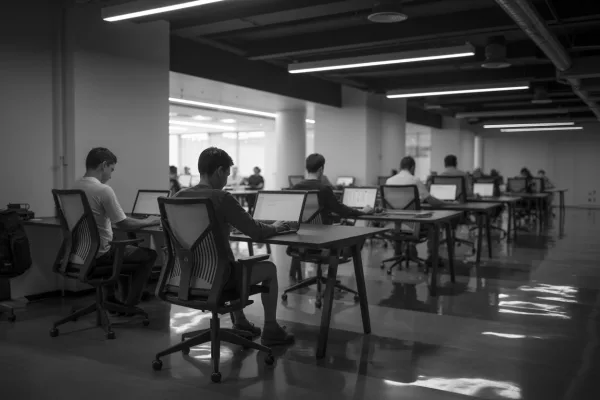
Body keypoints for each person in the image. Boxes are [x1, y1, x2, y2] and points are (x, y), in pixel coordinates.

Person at [176, 147, 294, 346]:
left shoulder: (178, 196)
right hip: (217, 278)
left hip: (187, 275)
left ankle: (240, 321)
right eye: (226, 175)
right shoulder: (221, 197)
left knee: (231, 263)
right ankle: (271, 329)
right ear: (219, 171)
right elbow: (256, 232)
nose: (226, 181)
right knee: (269, 269)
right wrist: (275, 226)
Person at [72, 148, 159, 308]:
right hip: (100, 256)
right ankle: (130, 305)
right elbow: (123, 224)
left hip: (78, 254)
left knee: (121, 245)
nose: (111, 175)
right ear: (104, 165)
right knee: (149, 255)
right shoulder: (103, 190)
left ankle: (111, 299)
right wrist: (149, 221)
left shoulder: (73, 187)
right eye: (111, 169)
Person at [386, 156, 445, 265]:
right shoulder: (415, 180)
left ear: (400, 167)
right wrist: (444, 203)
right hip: (412, 224)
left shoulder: (389, 181)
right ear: (412, 167)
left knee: (400, 220)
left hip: (394, 224)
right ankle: (433, 257)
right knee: (434, 225)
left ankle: (398, 252)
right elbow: (431, 200)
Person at [292, 154, 374, 222]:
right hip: (324, 232)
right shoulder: (324, 189)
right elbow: (340, 209)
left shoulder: (295, 188)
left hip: (301, 230)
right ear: (321, 169)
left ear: (307, 169)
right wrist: (362, 211)